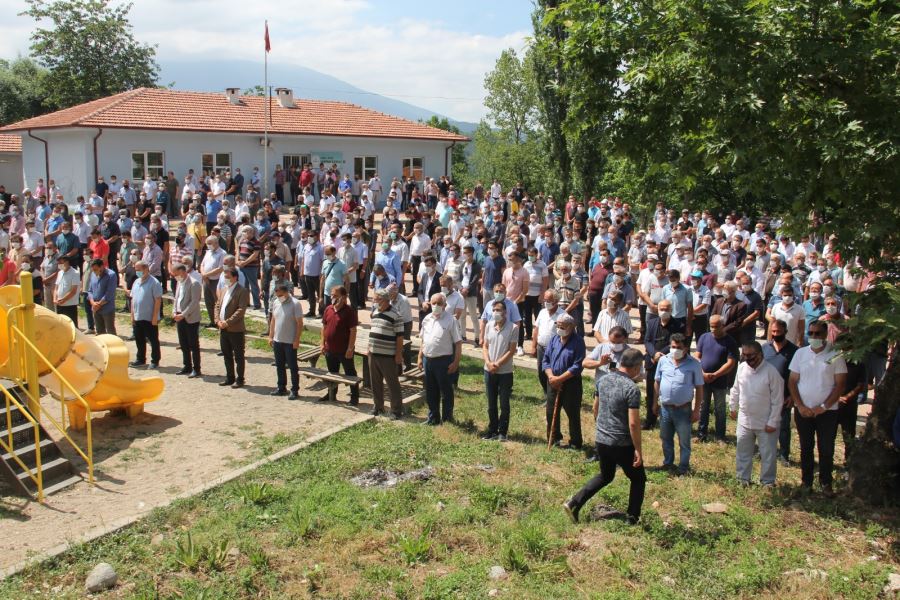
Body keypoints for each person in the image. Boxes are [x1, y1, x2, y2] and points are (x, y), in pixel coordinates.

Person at [563, 348, 646, 525]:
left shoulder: (603, 381)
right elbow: (633, 423)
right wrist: (638, 449)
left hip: (602, 440)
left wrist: (602, 429)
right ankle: (632, 517)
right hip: (622, 443)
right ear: (636, 367)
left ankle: (574, 502)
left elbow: (595, 408)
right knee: (638, 478)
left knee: (605, 475)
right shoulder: (632, 389)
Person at [788, 320, 847, 495]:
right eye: (811, 333)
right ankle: (806, 482)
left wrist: (823, 406)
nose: (814, 337)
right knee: (806, 447)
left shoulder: (836, 354)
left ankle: (826, 483)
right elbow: (792, 382)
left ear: (825, 334)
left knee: (826, 448)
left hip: (827, 412)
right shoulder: (800, 353)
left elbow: (840, 385)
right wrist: (799, 405)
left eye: (817, 334)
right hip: (803, 410)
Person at [729, 341, 784, 485]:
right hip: (745, 421)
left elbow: (778, 400)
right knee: (743, 452)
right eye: (744, 355)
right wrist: (733, 407)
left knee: (768, 455)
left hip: (765, 423)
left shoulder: (771, 372)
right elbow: (736, 389)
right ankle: (743, 479)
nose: (747, 359)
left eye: (751, 356)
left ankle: (767, 482)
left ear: (760, 355)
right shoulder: (742, 368)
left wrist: (773, 422)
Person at [653, 333, 703, 475]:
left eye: (679, 347)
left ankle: (683, 467)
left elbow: (699, 388)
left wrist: (696, 410)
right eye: (673, 347)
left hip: (683, 409)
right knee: (665, 437)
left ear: (686, 348)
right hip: (665, 408)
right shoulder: (663, 360)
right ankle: (668, 463)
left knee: (684, 441)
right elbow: (657, 381)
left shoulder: (694, 364)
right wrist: (654, 402)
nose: (675, 350)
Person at [542, 312, 585, 449]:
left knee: (572, 413)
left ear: (571, 327)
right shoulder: (554, 339)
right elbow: (545, 360)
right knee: (550, 411)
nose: (559, 328)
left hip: (571, 383)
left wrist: (561, 379)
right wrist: (551, 377)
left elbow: (577, 365)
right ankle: (554, 438)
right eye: (558, 325)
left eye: (563, 326)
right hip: (552, 381)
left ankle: (575, 442)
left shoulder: (578, 342)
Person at [418, 293, 463, 425]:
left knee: (446, 390)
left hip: (444, 360)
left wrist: (456, 362)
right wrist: (420, 357)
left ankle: (447, 417)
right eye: (433, 303)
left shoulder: (451, 320)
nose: (436, 306)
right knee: (431, 390)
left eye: (439, 303)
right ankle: (433, 417)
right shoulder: (426, 319)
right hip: (428, 359)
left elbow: (458, 343)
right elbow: (423, 340)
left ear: (444, 305)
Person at [693, 315, 739, 442]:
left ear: (723, 326)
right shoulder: (704, 337)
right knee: (703, 406)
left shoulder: (730, 341)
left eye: (716, 326)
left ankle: (720, 436)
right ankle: (701, 434)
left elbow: (730, 363)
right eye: (711, 326)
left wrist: (715, 375)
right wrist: (702, 372)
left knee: (720, 409)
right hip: (703, 379)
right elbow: (697, 356)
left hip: (720, 381)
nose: (713, 329)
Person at [642, 299, 683, 430]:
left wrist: (661, 354)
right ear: (657, 309)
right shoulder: (652, 322)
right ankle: (650, 420)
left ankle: (670, 421)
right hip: (652, 362)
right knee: (650, 391)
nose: (664, 311)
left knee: (669, 391)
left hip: (669, 363)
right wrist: (654, 354)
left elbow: (675, 342)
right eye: (662, 309)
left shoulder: (678, 325)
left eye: (666, 309)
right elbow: (647, 340)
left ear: (671, 310)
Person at [762, 320, 798, 464]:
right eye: (773, 331)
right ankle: (765, 451)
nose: (775, 334)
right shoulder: (765, 348)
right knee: (764, 424)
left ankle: (784, 454)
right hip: (765, 394)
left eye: (778, 332)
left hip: (784, 396)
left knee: (783, 426)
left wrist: (792, 396)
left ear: (785, 331)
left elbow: (797, 375)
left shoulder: (794, 351)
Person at [481, 300, 517, 441]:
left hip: (505, 372)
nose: (496, 312)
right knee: (491, 403)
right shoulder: (489, 325)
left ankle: (503, 431)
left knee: (504, 403)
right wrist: (489, 363)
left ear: (505, 312)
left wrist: (497, 364)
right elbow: (485, 346)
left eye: (498, 310)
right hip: (489, 370)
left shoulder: (513, 328)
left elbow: (511, 350)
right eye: (494, 310)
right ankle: (492, 430)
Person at [368, 288, 405, 419]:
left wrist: (398, 354)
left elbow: (400, 337)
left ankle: (396, 410)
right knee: (375, 382)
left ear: (384, 300)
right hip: (373, 353)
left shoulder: (396, 315)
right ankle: (378, 406)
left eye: (376, 299)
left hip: (388, 355)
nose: (374, 301)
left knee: (392, 383)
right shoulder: (376, 311)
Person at [320, 285, 359, 405]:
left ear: (343, 297)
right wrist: (322, 343)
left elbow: (353, 331)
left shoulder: (349, 312)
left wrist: (350, 348)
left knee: (350, 373)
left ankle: (354, 397)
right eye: (332, 295)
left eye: (336, 295)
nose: (333, 297)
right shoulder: (328, 309)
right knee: (332, 373)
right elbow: (324, 327)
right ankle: (331, 393)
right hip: (329, 349)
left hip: (344, 350)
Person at [214, 267, 250, 388]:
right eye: (225, 277)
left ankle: (240, 379)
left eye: (228, 277)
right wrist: (217, 320)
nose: (226, 279)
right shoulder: (224, 290)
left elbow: (241, 310)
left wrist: (228, 322)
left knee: (239, 355)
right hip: (223, 328)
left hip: (235, 329)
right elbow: (217, 305)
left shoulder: (242, 291)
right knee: (226, 354)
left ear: (235, 277)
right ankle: (230, 377)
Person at [268, 283, 303, 400]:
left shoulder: (295, 304)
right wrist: (270, 336)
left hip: (290, 341)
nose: (279, 297)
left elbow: (299, 324)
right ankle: (281, 387)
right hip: (278, 340)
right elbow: (273, 320)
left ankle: (294, 390)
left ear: (287, 292)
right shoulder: (276, 302)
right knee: (279, 365)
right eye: (277, 295)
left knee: (293, 367)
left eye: (281, 295)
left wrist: (296, 340)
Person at [128, 261, 162, 368]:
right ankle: (140, 359)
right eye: (136, 270)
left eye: (139, 270)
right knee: (139, 339)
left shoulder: (154, 283)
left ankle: (155, 360)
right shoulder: (136, 282)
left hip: (149, 317)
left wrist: (155, 317)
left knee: (153, 340)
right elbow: (133, 300)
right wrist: (132, 315)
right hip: (138, 316)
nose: (137, 272)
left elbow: (157, 300)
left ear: (146, 269)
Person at [172, 263, 202, 378]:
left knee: (193, 344)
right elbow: (176, 298)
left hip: (190, 318)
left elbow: (194, 302)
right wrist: (175, 311)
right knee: (183, 343)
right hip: (179, 317)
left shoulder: (194, 283)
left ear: (183, 271)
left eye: (176, 274)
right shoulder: (180, 283)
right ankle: (187, 366)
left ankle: (196, 368)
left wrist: (183, 314)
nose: (175, 276)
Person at [532, 289, 564, 394]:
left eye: (548, 300)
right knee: (541, 372)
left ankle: (553, 395)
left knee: (552, 373)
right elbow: (536, 329)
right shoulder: (542, 312)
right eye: (545, 300)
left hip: (554, 350)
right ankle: (547, 393)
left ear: (556, 301)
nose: (546, 302)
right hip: (541, 348)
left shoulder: (562, 315)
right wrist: (533, 346)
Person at [200, 235, 226, 327]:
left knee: (218, 302)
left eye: (210, 243)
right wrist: (204, 275)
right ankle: (212, 321)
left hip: (216, 281)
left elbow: (220, 268)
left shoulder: (222, 253)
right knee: (208, 301)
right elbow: (202, 264)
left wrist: (206, 275)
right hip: (206, 280)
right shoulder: (208, 252)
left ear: (216, 243)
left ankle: (218, 321)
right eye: (207, 244)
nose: (208, 245)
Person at [87, 258, 117, 335]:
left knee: (110, 332)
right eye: (93, 270)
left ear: (102, 266)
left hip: (107, 308)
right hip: (96, 308)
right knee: (99, 332)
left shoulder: (111, 275)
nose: (94, 271)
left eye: (96, 269)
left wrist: (99, 304)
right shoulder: (93, 274)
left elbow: (109, 293)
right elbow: (90, 291)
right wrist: (93, 303)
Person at [53, 255, 80, 326]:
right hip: (59, 304)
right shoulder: (60, 273)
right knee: (61, 326)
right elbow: (56, 288)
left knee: (72, 325)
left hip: (70, 304)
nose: (59, 265)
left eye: (61, 263)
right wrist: (55, 299)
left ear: (67, 262)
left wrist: (63, 300)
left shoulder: (75, 273)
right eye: (58, 263)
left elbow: (73, 291)